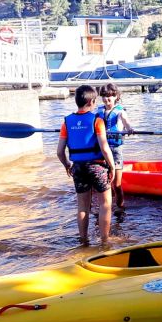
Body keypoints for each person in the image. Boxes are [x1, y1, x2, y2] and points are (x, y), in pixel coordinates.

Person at [57, 84, 116, 245]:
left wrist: (67, 165)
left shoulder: (66, 122)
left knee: (82, 206)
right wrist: (112, 166)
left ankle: (83, 240)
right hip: (97, 167)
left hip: (78, 167)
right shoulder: (97, 120)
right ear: (92, 102)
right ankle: (105, 240)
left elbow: (60, 152)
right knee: (105, 204)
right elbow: (104, 147)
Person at [98, 83, 134, 211]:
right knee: (103, 183)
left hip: (115, 150)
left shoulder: (120, 111)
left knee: (117, 184)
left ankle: (120, 207)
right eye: (103, 97)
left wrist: (129, 128)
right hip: (102, 149)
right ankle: (105, 208)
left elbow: (126, 121)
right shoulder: (99, 111)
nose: (106, 99)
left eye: (109, 97)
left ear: (115, 97)